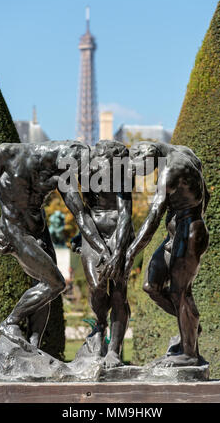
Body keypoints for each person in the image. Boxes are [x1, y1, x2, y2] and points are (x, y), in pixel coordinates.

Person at [0, 140, 110, 351]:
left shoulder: (61, 174)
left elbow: (80, 215)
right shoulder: (8, 153)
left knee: (42, 287)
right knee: (55, 283)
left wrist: (100, 247)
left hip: (39, 230)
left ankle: (34, 347)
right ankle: (10, 322)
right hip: (14, 230)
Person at [125, 141, 210, 366]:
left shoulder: (171, 169)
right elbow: (206, 193)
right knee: (151, 286)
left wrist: (131, 252)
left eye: (141, 167)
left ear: (148, 155)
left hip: (190, 231)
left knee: (180, 292)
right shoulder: (184, 153)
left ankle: (189, 354)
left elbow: (153, 217)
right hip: (178, 231)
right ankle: (191, 326)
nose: (143, 174)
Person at [74, 140, 134, 369]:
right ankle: (100, 324)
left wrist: (119, 251)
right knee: (97, 284)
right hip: (94, 231)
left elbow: (126, 213)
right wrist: (84, 236)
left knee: (119, 292)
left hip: (119, 231)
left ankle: (114, 350)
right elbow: (83, 209)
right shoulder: (84, 170)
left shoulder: (122, 174)